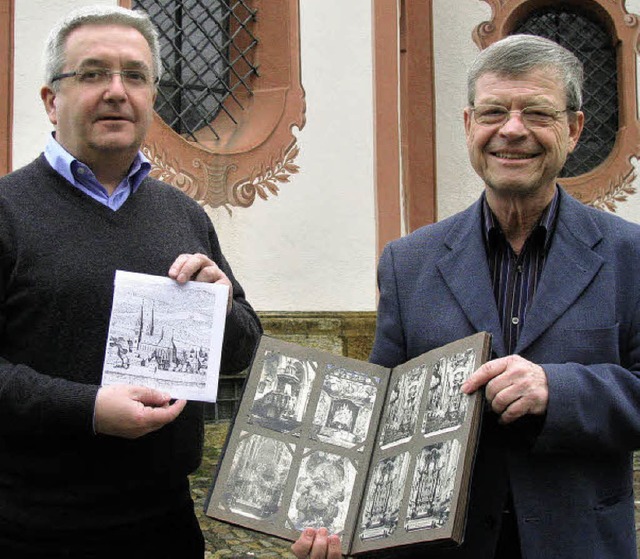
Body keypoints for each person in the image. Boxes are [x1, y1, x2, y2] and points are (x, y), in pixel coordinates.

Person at [292, 34, 640, 559]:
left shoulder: (629, 255)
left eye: (538, 113)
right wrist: (335, 524)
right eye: (493, 111)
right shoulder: (408, 262)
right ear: (468, 126)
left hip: (579, 541)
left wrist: (557, 390)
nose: (512, 129)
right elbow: (382, 418)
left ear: (574, 128)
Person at [0, 5, 262, 559]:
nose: (117, 91)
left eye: (135, 76)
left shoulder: (183, 214)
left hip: (166, 524)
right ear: (52, 100)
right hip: (30, 527)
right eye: (92, 73)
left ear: (151, 97)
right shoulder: (6, 211)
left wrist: (222, 307)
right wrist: (89, 409)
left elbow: (244, 349)